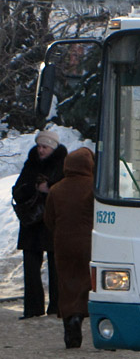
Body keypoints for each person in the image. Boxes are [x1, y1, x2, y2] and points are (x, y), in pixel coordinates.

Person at [11, 130, 67, 320]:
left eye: (45, 147)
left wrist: (49, 188)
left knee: (56, 265)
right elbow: (17, 190)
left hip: (52, 220)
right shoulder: (31, 163)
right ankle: (33, 309)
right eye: (39, 146)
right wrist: (33, 188)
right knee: (31, 267)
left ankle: (57, 307)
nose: (41, 150)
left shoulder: (62, 164)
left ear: (53, 147)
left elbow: (66, 191)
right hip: (32, 221)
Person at [43, 147, 95, 349]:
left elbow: (48, 219)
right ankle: (85, 317)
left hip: (63, 245)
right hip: (89, 244)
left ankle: (70, 325)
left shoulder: (56, 189)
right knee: (89, 283)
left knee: (67, 284)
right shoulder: (94, 187)